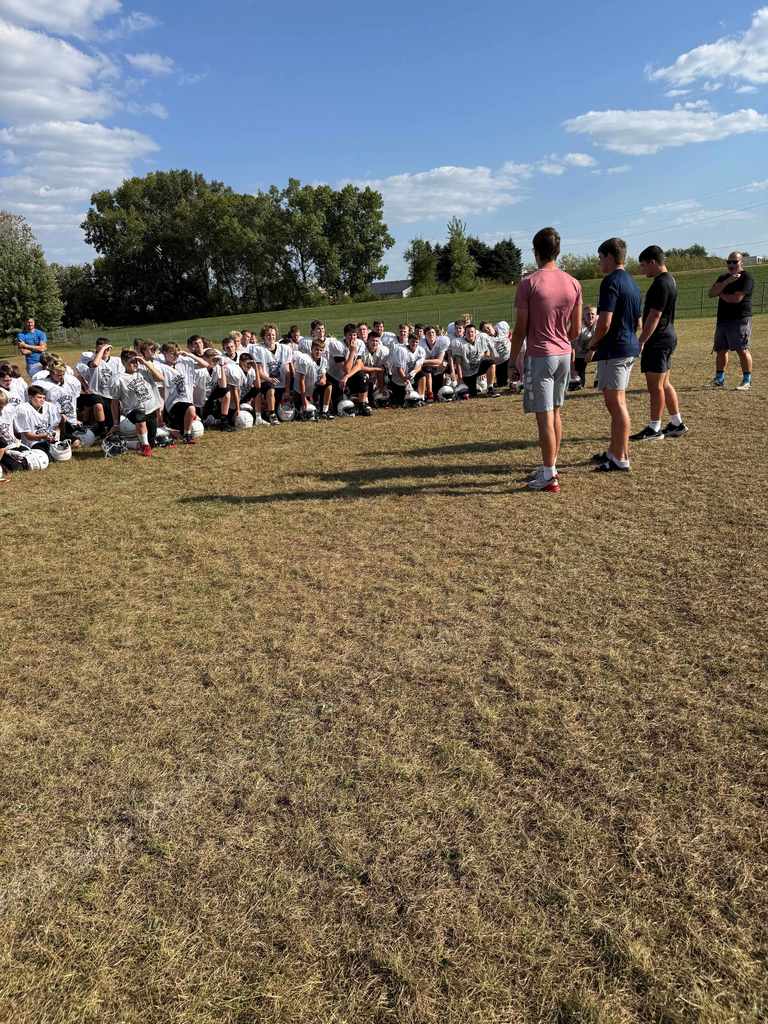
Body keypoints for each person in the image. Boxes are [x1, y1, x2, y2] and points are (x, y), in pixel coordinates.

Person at [510, 227, 582, 493]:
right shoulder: (574, 283)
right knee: (556, 412)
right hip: (564, 354)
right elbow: (575, 330)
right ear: (558, 251)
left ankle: (549, 476)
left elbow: (520, 328)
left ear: (535, 251)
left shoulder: (529, 283)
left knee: (544, 417)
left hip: (541, 355)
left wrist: (510, 360)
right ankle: (550, 464)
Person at [587, 237, 641, 473]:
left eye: (600, 258)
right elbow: (637, 321)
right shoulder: (632, 282)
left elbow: (604, 322)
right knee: (617, 403)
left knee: (616, 404)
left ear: (609, 257)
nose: (600, 263)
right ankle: (616, 450)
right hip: (628, 346)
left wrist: (592, 346)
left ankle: (620, 457)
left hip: (615, 350)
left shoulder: (610, 282)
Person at [631, 246, 687, 442]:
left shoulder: (661, 283)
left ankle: (654, 428)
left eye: (644, 265)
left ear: (653, 262)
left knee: (655, 387)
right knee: (664, 383)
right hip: (667, 337)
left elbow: (655, 315)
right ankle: (676, 423)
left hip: (659, 340)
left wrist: (642, 340)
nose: (642, 269)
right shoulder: (669, 279)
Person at [709, 251, 754, 390]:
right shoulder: (723, 277)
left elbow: (735, 299)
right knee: (721, 350)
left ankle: (747, 380)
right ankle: (719, 379)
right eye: (729, 262)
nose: (731, 265)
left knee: (742, 349)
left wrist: (720, 292)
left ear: (742, 262)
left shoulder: (747, 278)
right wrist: (727, 282)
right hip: (722, 320)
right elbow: (711, 293)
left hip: (740, 319)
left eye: (735, 262)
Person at [111, 350, 166, 455]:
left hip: (150, 409)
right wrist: (115, 423)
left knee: (151, 441)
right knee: (140, 418)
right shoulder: (119, 379)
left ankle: (128, 443)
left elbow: (161, 378)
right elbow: (114, 402)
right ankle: (145, 445)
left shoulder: (144, 371)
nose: (135, 364)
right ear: (123, 363)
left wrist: (145, 362)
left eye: (136, 361)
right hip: (132, 409)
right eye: (132, 362)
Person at [13, 384, 62, 453]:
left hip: (49, 440)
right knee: (47, 456)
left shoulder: (50, 407)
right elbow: (28, 436)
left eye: (44, 398)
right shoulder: (22, 410)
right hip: (33, 443)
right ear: (30, 397)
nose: (42, 400)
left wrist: (56, 436)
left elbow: (56, 427)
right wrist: (43, 437)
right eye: (39, 397)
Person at [572, 307, 597, 389]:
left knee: (605, 359)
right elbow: (574, 346)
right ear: (583, 316)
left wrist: (592, 350)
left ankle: (599, 379)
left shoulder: (600, 324)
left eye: (592, 314)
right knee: (579, 382)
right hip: (580, 353)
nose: (590, 316)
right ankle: (578, 382)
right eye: (588, 314)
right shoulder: (579, 326)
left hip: (595, 351)